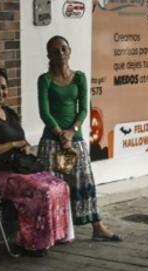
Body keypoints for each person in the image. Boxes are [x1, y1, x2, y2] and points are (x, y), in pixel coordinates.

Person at [0, 68, 73, 256]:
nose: (0, 92)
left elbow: (21, 140)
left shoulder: (10, 113)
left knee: (60, 185)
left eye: (3, 87)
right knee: (41, 191)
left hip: (19, 167)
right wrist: (11, 144)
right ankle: (31, 242)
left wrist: (25, 146)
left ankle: (53, 236)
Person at [36, 36, 122, 243]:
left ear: (70, 50)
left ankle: (97, 226)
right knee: (52, 186)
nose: (61, 54)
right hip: (51, 141)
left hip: (75, 139)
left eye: (64, 49)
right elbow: (44, 113)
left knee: (84, 182)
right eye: (55, 51)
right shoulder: (45, 80)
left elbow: (84, 109)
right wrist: (60, 134)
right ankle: (52, 230)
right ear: (49, 55)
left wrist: (71, 132)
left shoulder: (80, 78)